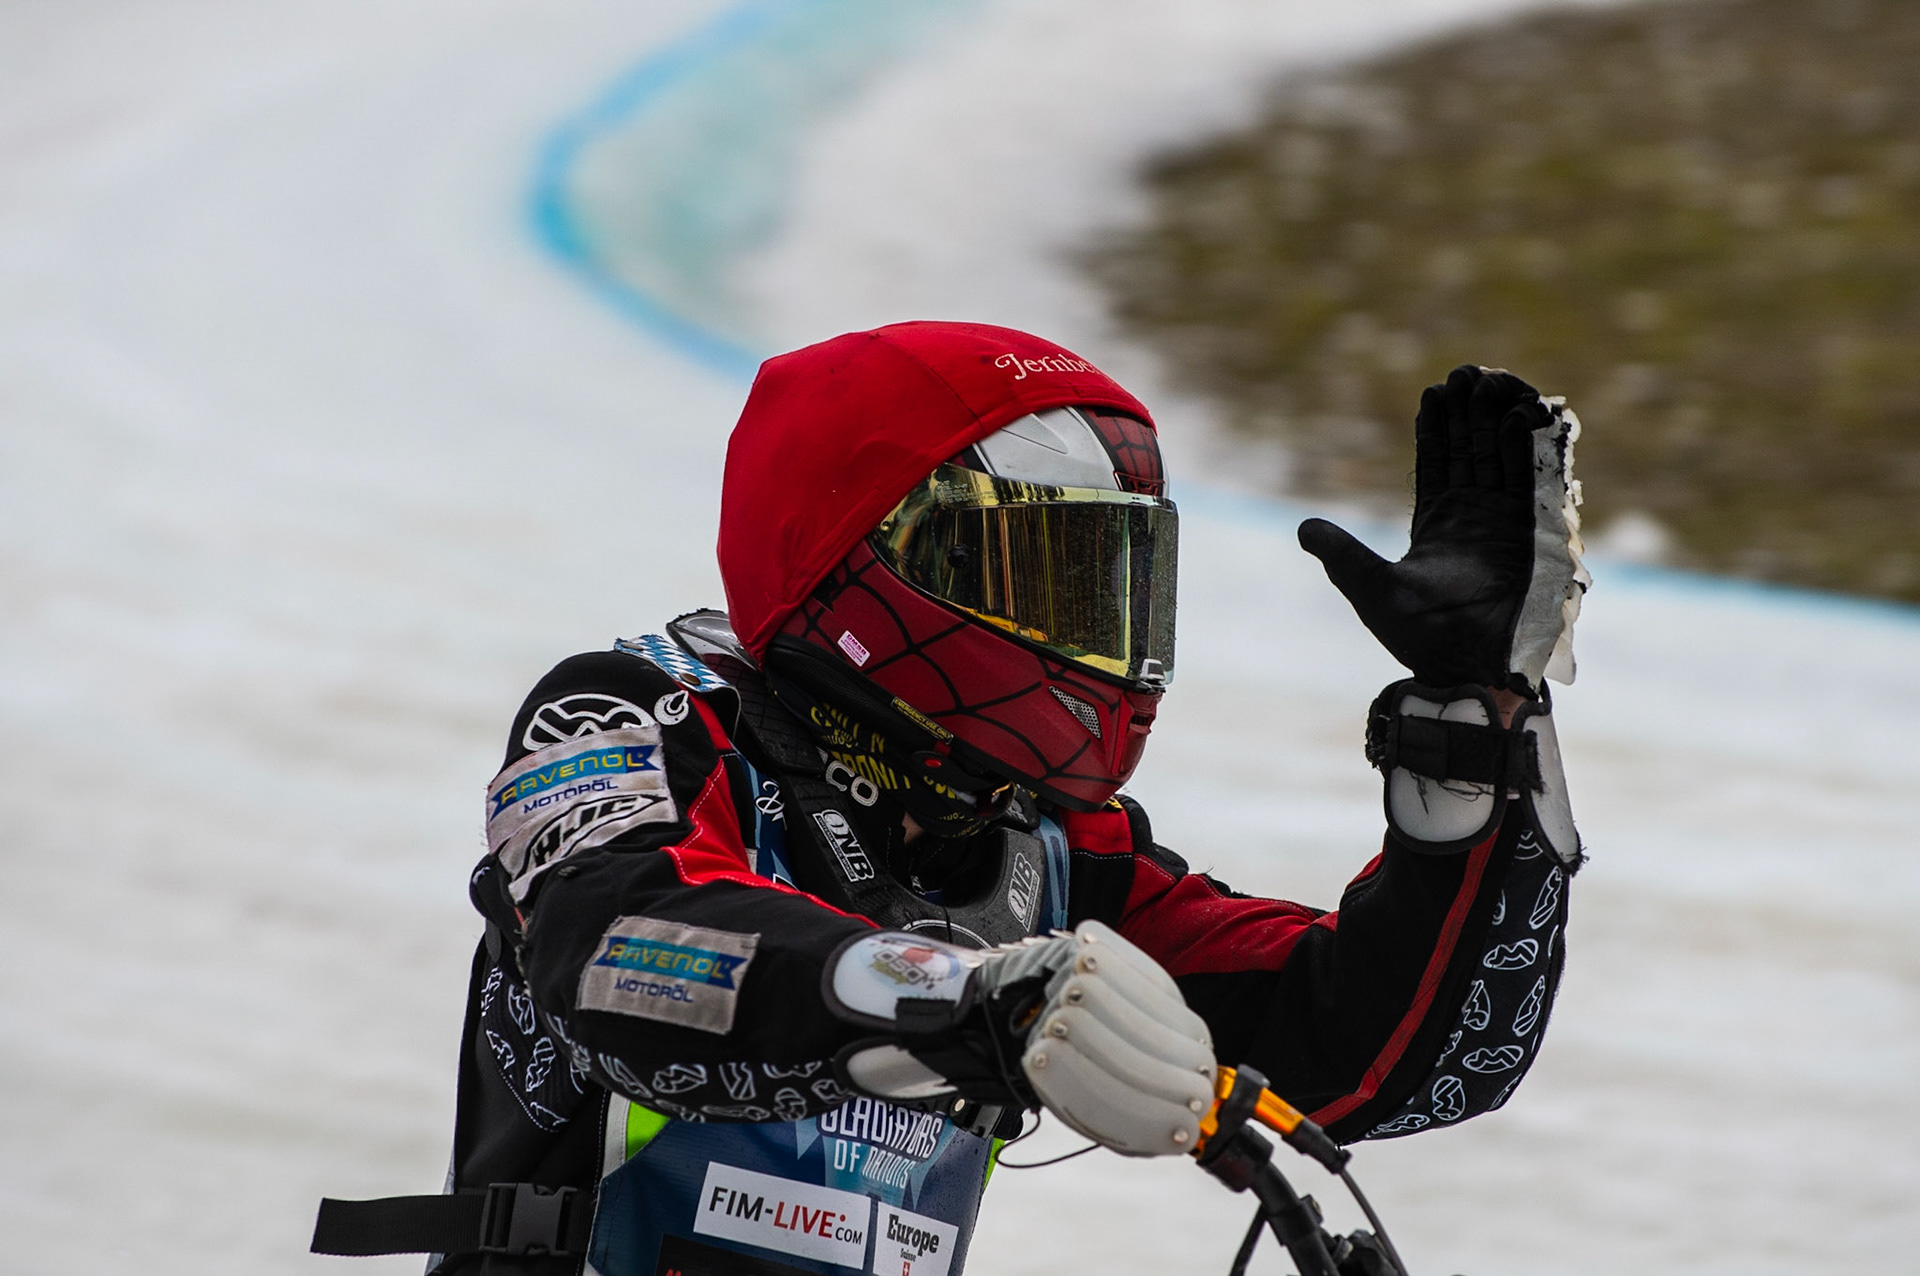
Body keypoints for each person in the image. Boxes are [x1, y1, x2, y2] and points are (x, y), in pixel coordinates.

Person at [312, 321, 1587, 1276]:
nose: (1090, 634)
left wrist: (1472, 729)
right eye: (1034, 572)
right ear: (857, 552)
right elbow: (621, 948)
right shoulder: (632, 712)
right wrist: (961, 992)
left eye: (1110, 585)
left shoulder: (1043, 848)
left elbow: (1395, 1055)